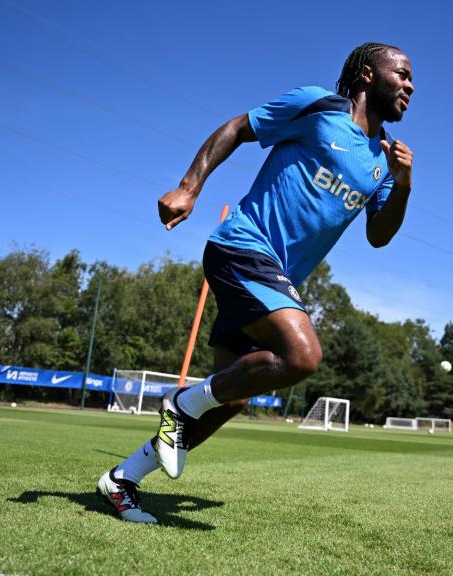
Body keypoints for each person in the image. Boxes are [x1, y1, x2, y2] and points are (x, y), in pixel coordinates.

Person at [96, 42, 416, 523]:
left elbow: (379, 236)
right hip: (243, 247)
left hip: (273, 277)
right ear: (368, 75)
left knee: (233, 396)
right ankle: (179, 402)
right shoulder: (318, 107)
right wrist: (189, 186)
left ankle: (122, 480)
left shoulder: (383, 161)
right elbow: (238, 128)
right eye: (403, 74)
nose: (410, 86)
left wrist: (403, 184)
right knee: (303, 356)